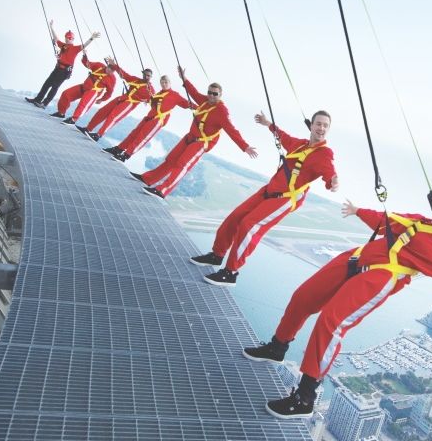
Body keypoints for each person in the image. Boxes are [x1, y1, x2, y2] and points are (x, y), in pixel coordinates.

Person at [242, 186, 432, 419]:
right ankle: (277, 346)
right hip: (355, 258)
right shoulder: (416, 221)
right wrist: (358, 211)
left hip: (381, 276)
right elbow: (385, 220)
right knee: (303, 297)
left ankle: (304, 397)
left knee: (331, 321)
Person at [190, 110, 338, 286]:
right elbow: (283, 136)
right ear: (311, 125)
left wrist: (333, 181)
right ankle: (217, 255)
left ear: (328, 129)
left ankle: (231, 272)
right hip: (269, 190)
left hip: (285, 198)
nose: (321, 128)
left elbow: (329, 172)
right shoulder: (300, 144)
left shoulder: (324, 154)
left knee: (249, 225)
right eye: (318, 124)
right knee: (235, 217)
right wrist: (268, 123)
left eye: (325, 125)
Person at [133, 67, 257, 199]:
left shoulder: (222, 111)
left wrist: (245, 146)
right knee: (171, 159)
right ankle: (147, 179)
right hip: (190, 137)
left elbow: (232, 130)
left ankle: (163, 190)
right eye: (210, 92)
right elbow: (193, 93)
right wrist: (184, 79)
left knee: (182, 164)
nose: (211, 95)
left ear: (220, 95)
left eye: (215, 94)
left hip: (203, 142)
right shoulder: (205, 101)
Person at [103, 75, 190, 161]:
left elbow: (186, 104)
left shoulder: (175, 95)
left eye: (166, 82)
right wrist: (148, 100)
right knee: (134, 134)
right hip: (149, 117)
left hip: (158, 119)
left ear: (170, 83)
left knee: (142, 138)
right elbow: (153, 103)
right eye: (162, 83)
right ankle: (119, 149)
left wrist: (198, 107)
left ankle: (126, 155)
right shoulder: (159, 94)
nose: (164, 84)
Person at [26, 20, 99, 107]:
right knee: (47, 84)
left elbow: (84, 45)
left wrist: (92, 38)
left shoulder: (75, 48)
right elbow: (56, 38)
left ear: (73, 39)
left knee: (54, 87)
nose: (68, 39)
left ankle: (44, 103)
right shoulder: (63, 45)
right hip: (57, 68)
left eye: (70, 38)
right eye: (67, 37)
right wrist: (51, 27)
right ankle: (38, 99)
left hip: (64, 71)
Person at [77, 65, 154, 141]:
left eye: (148, 76)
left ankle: (98, 135)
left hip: (129, 104)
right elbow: (124, 74)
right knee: (102, 112)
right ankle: (88, 129)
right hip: (120, 99)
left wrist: (149, 99)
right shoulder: (135, 80)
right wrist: (115, 65)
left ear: (150, 77)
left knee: (112, 117)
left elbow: (154, 102)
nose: (146, 77)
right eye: (145, 74)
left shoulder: (150, 89)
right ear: (143, 74)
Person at [49, 56, 117, 126]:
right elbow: (87, 64)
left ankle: (73, 119)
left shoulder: (112, 79)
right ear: (107, 66)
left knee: (83, 104)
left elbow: (109, 92)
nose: (110, 72)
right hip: (84, 86)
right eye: (110, 69)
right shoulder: (99, 65)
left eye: (112, 71)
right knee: (66, 94)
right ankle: (61, 113)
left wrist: (102, 99)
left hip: (93, 91)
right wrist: (84, 57)